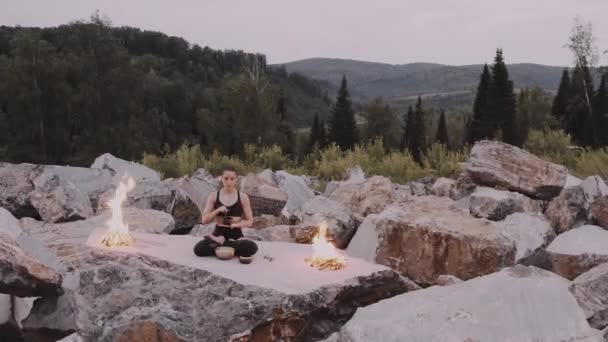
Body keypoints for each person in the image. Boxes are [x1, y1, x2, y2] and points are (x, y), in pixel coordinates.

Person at [193, 166, 258, 262]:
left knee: (253, 247)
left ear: (236, 180)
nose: (228, 182)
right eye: (226, 178)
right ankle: (233, 248)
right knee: (198, 249)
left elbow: (250, 221)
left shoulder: (243, 197)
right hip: (218, 234)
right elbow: (204, 220)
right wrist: (217, 210)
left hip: (236, 234)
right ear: (221, 178)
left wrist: (235, 225)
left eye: (232, 179)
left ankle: (224, 245)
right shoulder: (213, 196)